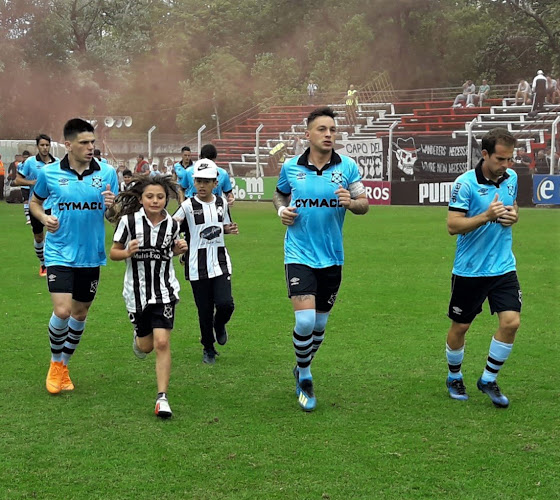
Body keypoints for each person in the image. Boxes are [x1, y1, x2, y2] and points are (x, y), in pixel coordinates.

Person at [272, 106, 369, 412]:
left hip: (332, 256)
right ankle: (304, 375)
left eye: (332, 130)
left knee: (320, 326)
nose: (329, 135)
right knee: (305, 319)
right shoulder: (291, 167)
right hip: (298, 252)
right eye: (322, 129)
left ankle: (301, 364)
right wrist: (281, 211)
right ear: (308, 134)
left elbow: (365, 204)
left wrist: (351, 203)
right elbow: (279, 195)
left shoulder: (348, 167)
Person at [30, 118, 118, 395]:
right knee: (62, 310)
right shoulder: (49, 173)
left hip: (91, 255)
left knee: (79, 314)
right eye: (84, 142)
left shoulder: (107, 173)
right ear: (68, 145)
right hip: (58, 252)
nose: (91, 147)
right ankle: (56, 364)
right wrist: (44, 217)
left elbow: (113, 217)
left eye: (92, 142)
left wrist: (112, 208)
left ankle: (64, 365)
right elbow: (35, 202)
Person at [445, 127, 521, 409]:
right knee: (461, 326)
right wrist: (487, 216)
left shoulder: (511, 178)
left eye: (509, 159)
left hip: (503, 266)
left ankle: (488, 379)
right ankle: (454, 376)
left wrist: (512, 217)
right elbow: (453, 226)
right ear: (485, 154)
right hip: (470, 270)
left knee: (511, 322)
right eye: (500, 159)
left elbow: (513, 208)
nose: (506, 166)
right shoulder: (464, 184)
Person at [108, 175, 187, 419]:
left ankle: (162, 398)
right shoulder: (129, 223)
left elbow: (168, 251)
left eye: (160, 197)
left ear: (167, 199)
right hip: (136, 293)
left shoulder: (173, 225)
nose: (155, 201)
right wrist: (127, 252)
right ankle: (138, 337)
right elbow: (113, 253)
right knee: (146, 346)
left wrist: (177, 250)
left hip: (165, 291)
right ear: (141, 199)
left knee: (162, 342)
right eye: (150, 196)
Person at [173, 160, 238, 365]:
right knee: (204, 310)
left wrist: (228, 230)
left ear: (215, 183)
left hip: (220, 261)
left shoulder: (222, 203)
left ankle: (219, 325)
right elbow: (173, 226)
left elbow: (223, 225)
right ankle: (208, 348)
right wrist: (177, 242)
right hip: (196, 265)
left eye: (206, 181)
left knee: (226, 304)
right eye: (198, 181)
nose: (201, 185)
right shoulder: (187, 206)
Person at [15, 135, 58, 276]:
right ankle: (42, 263)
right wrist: (32, 183)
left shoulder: (57, 163)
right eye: (42, 145)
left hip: (54, 205)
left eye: (47, 145)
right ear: (37, 146)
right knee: (39, 237)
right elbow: (18, 180)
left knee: (55, 235)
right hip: (37, 205)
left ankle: (55, 263)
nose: (45, 148)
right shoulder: (30, 162)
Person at [20, 150, 32, 224]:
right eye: (24, 157)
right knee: (26, 201)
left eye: (27, 157)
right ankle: (28, 218)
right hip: (24, 186)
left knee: (33, 202)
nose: (26, 159)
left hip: (32, 187)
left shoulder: (32, 165)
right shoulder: (20, 165)